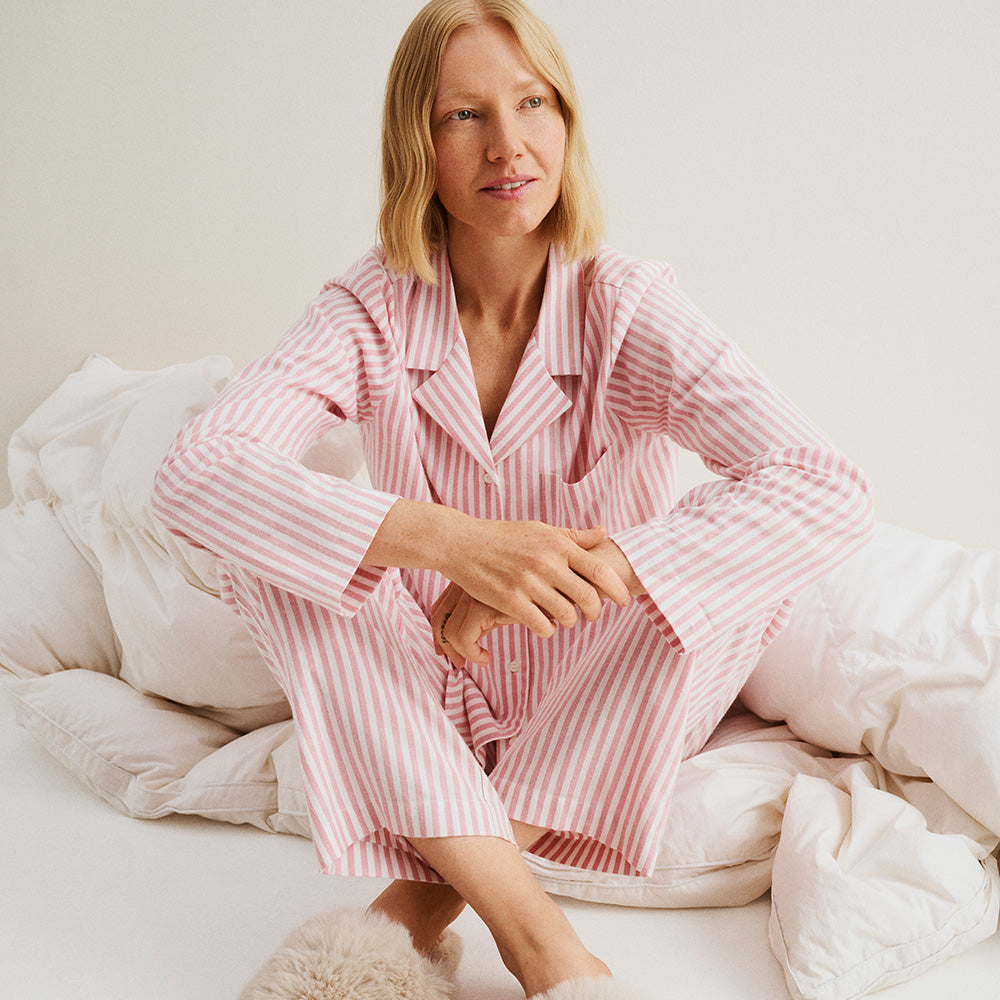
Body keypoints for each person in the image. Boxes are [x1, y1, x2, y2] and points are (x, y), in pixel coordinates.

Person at [151, 1, 874, 997]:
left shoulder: (625, 302)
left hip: (598, 669)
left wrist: (584, 565)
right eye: (465, 117)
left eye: (531, 103)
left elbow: (826, 485)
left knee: (734, 577)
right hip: (434, 679)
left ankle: (413, 912)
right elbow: (194, 471)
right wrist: (453, 545)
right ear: (420, 144)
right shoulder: (369, 306)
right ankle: (543, 941)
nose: (509, 145)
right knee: (266, 547)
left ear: (565, 119)